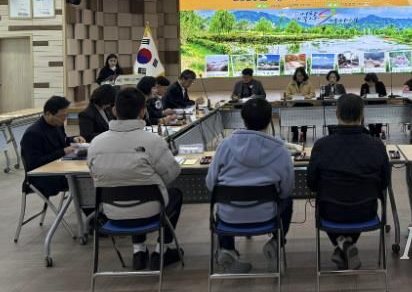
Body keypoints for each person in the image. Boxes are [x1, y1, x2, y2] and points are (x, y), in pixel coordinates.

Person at [88, 87, 183, 271]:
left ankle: (138, 251)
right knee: (175, 194)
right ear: (142, 111)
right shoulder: (153, 141)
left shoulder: (96, 143)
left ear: (114, 110)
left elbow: (94, 174)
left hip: (111, 212)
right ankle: (161, 250)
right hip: (151, 210)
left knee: (128, 187)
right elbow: (172, 173)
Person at [205, 98, 294, 273]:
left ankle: (227, 249)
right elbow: (287, 189)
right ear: (270, 120)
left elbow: (210, 184)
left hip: (229, 217)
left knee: (221, 203)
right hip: (267, 215)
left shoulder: (225, 146)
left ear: (243, 120)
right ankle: (276, 242)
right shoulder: (281, 151)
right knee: (288, 200)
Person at [307, 94, 390, 270]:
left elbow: (312, 184)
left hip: (330, 212)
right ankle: (345, 245)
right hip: (366, 211)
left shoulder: (322, 146)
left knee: (333, 204)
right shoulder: (376, 145)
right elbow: (384, 183)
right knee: (355, 200)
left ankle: (343, 244)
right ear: (362, 115)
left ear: (337, 114)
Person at [21, 96, 86, 197]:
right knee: (82, 179)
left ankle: (89, 206)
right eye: (61, 116)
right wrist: (63, 152)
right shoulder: (32, 134)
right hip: (41, 176)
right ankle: (89, 206)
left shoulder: (57, 125)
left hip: (59, 168)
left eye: (66, 116)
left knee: (86, 174)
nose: (64, 120)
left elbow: (62, 141)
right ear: (48, 114)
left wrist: (73, 139)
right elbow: (34, 164)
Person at [284, 66, 316, 143]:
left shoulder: (308, 83)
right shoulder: (291, 83)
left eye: (301, 75)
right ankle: (295, 133)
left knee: (305, 114)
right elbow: (287, 94)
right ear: (295, 75)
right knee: (291, 113)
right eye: (298, 75)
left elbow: (313, 93)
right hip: (294, 104)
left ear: (304, 76)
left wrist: (306, 96)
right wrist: (294, 96)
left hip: (305, 104)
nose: (300, 77)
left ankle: (303, 133)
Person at [360, 73, 387, 138]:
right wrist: (364, 96)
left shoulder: (380, 84)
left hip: (379, 104)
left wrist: (379, 95)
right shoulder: (364, 86)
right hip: (368, 105)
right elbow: (361, 96)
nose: (369, 83)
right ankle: (372, 130)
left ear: (375, 81)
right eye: (368, 82)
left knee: (380, 115)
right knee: (368, 115)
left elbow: (384, 94)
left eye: (371, 82)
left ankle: (377, 132)